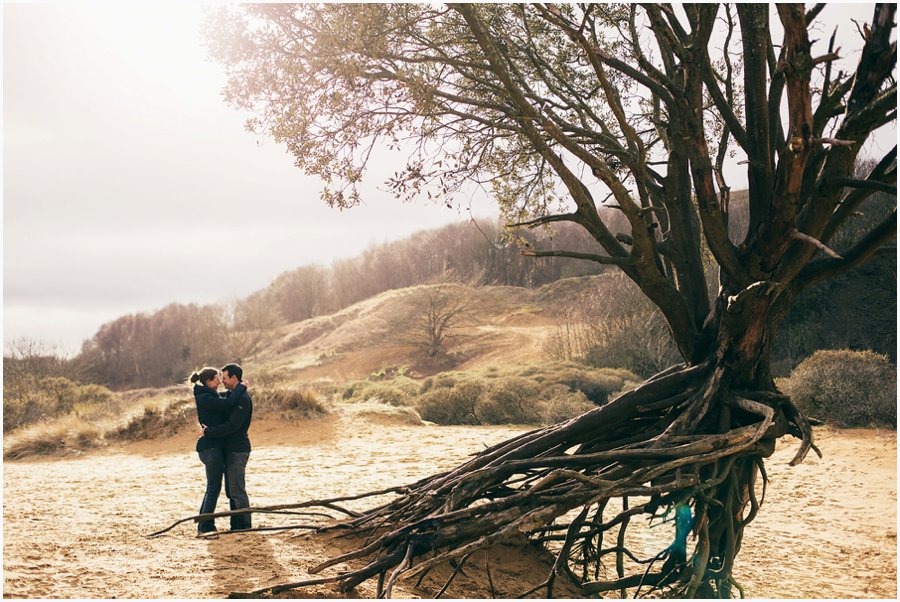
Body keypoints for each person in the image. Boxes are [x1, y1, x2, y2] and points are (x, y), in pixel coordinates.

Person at [190, 366, 246, 537]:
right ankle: (205, 525)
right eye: (216, 379)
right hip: (210, 448)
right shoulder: (206, 397)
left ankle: (204, 523)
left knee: (213, 487)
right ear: (208, 382)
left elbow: (225, 398)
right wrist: (242, 387)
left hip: (212, 447)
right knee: (214, 487)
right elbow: (228, 402)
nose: (220, 381)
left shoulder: (208, 395)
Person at [200, 363, 254, 533]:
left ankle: (244, 526)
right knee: (231, 490)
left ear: (234, 378)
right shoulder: (233, 395)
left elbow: (232, 426)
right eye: (220, 378)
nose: (222, 381)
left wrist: (208, 432)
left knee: (237, 490)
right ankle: (235, 525)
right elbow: (221, 399)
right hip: (229, 450)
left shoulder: (243, 399)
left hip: (238, 450)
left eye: (224, 378)